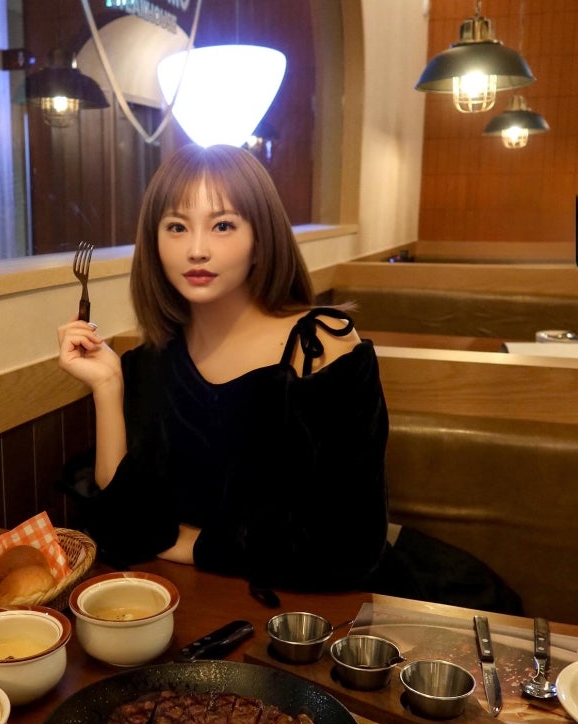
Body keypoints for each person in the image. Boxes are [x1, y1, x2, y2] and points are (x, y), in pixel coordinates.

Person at [57, 143, 390, 594]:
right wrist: (108, 384)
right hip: (187, 601)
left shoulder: (319, 349)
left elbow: (349, 548)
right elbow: (124, 523)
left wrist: (195, 545)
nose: (197, 250)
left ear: (260, 239)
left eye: (223, 225)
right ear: (154, 243)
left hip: (314, 610)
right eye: (177, 227)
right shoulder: (151, 362)